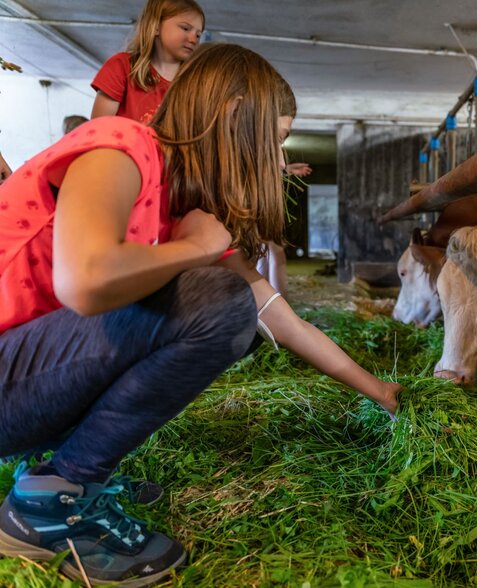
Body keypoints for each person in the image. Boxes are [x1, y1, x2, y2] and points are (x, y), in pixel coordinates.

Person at [0, 43, 401, 587]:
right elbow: (85, 281)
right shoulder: (121, 146)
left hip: (26, 383)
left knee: (226, 306)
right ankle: (51, 501)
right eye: (275, 139)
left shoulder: (180, 202)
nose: (279, 160)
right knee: (213, 301)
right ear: (233, 113)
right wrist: (191, 251)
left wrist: (378, 390)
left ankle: (67, 472)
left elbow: (276, 315)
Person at [91, 0, 204, 123]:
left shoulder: (196, 82)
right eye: (185, 28)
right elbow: (99, 128)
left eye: (198, 35)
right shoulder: (121, 66)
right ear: (155, 26)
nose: (193, 40)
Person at [256, 160, 313, 299]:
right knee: (270, 255)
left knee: (272, 253)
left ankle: (273, 307)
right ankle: (274, 307)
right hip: (256, 211)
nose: (280, 161)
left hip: (261, 211)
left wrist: (286, 170)